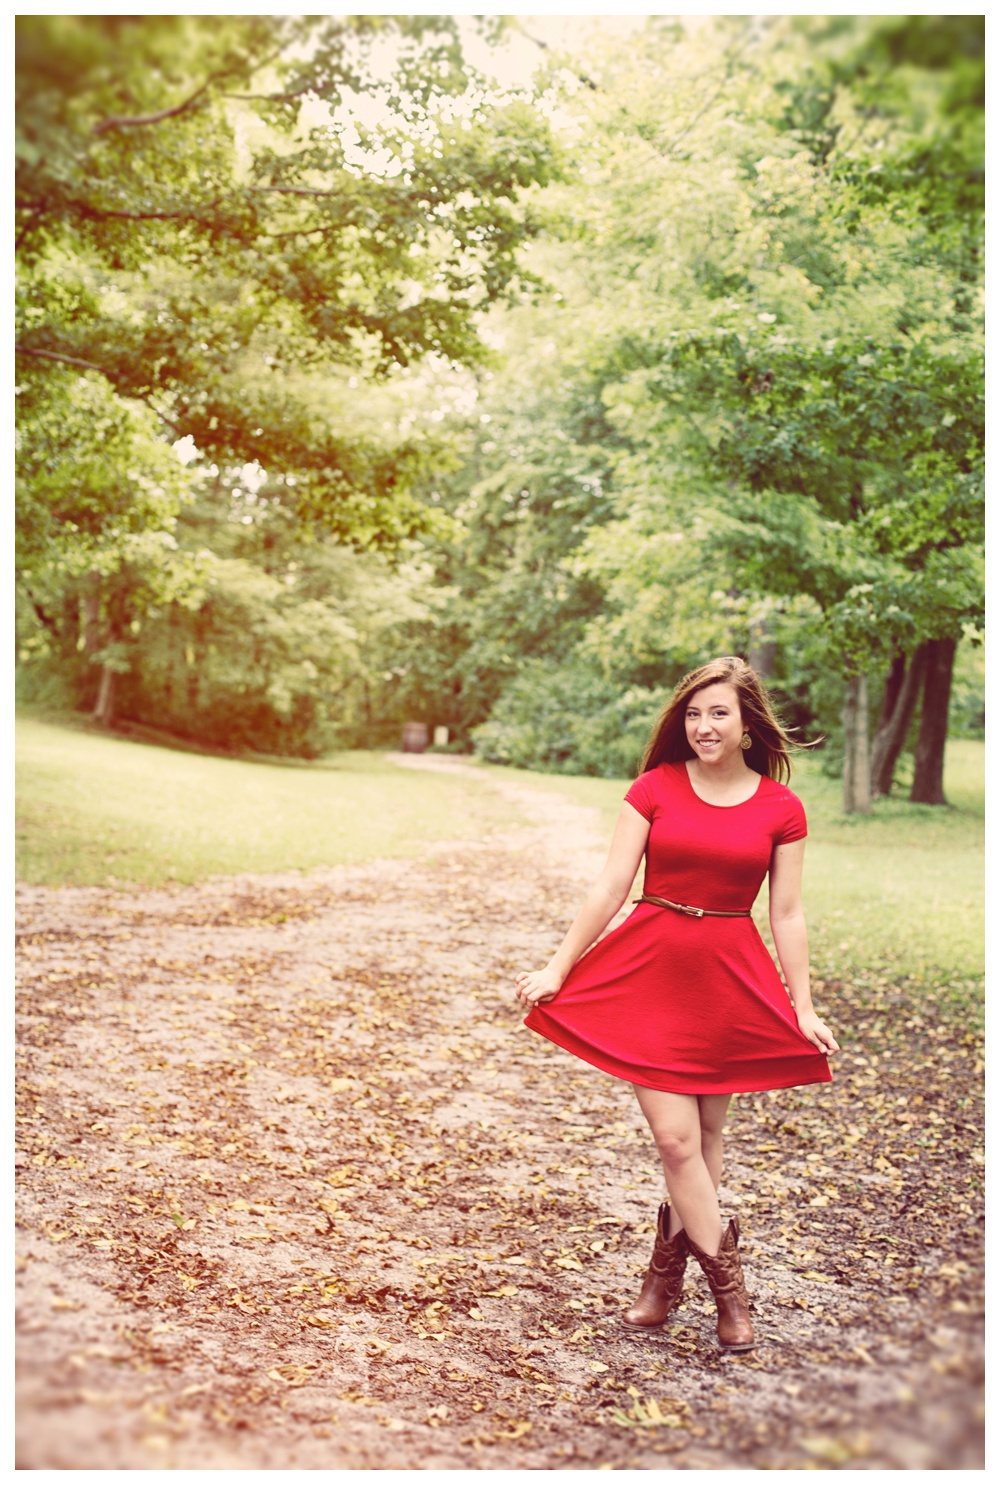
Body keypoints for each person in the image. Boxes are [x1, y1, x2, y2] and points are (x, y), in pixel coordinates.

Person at [515, 656, 838, 1353]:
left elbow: (787, 914)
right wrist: (557, 964)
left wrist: (802, 1006)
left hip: (728, 979)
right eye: (693, 714)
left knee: (708, 1139)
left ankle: (664, 1278)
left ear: (748, 724)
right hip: (651, 972)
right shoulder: (655, 788)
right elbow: (608, 887)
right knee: (676, 1139)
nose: (703, 726)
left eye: (718, 713)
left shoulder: (781, 808)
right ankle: (731, 1288)